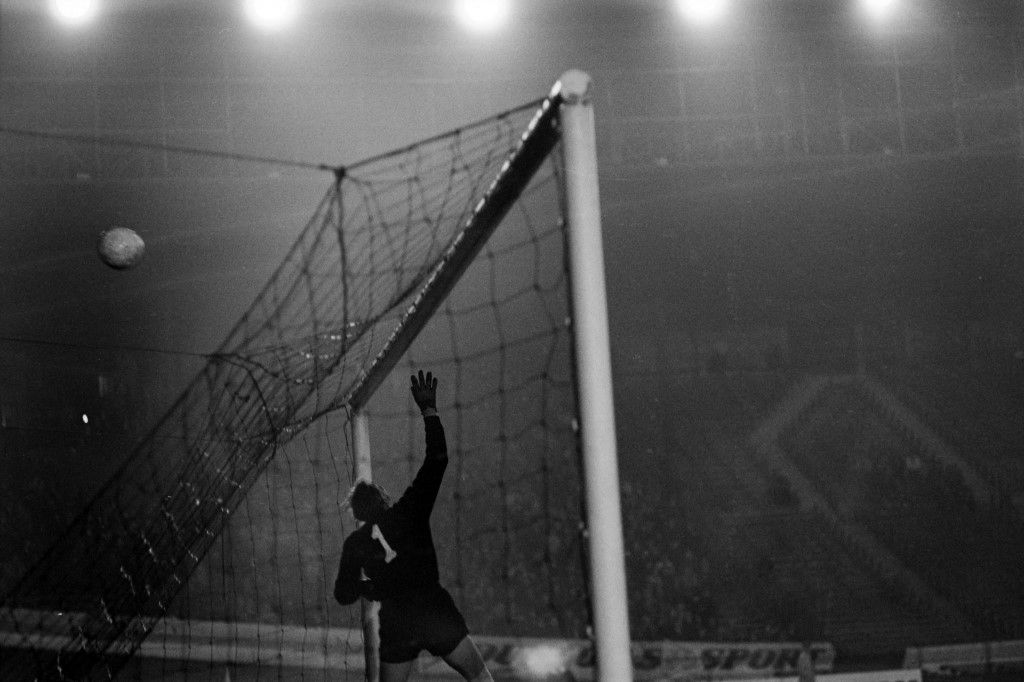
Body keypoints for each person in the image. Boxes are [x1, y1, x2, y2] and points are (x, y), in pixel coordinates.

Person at [334, 370, 493, 682]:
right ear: (384, 498)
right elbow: (438, 459)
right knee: (478, 675)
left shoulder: (356, 544)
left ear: (358, 513)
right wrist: (429, 410)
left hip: (397, 621)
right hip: (433, 609)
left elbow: (343, 594)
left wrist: (370, 587)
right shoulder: (409, 510)